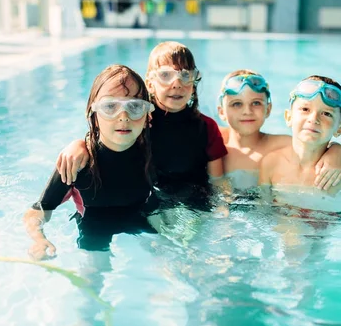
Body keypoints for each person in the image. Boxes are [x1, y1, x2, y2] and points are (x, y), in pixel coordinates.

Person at [55, 41, 228, 209]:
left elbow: (217, 180)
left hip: (195, 199)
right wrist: (78, 145)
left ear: (194, 81)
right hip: (152, 200)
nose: (177, 84)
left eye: (185, 75)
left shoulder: (207, 127)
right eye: (166, 75)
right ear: (150, 83)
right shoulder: (139, 118)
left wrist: (222, 209)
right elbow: (106, 136)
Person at [23, 64, 157, 259]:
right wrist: (38, 238)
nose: (124, 116)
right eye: (110, 106)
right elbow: (38, 211)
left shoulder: (153, 153)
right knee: (93, 274)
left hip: (140, 218)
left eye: (135, 106)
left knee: (166, 268)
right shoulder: (76, 162)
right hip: (93, 227)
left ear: (147, 115)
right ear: (93, 115)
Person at [217, 69, 341, 191]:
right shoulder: (213, 139)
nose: (247, 111)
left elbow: (312, 142)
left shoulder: (280, 144)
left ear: (268, 109)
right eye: (237, 104)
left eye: (256, 103)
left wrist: (337, 152)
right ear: (221, 112)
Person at [259, 76, 341, 214]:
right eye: (305, 109)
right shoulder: (271, 163)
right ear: (289, 117)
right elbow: (261, 209)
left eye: (326, 113)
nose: (313, 119)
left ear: (340, 129)